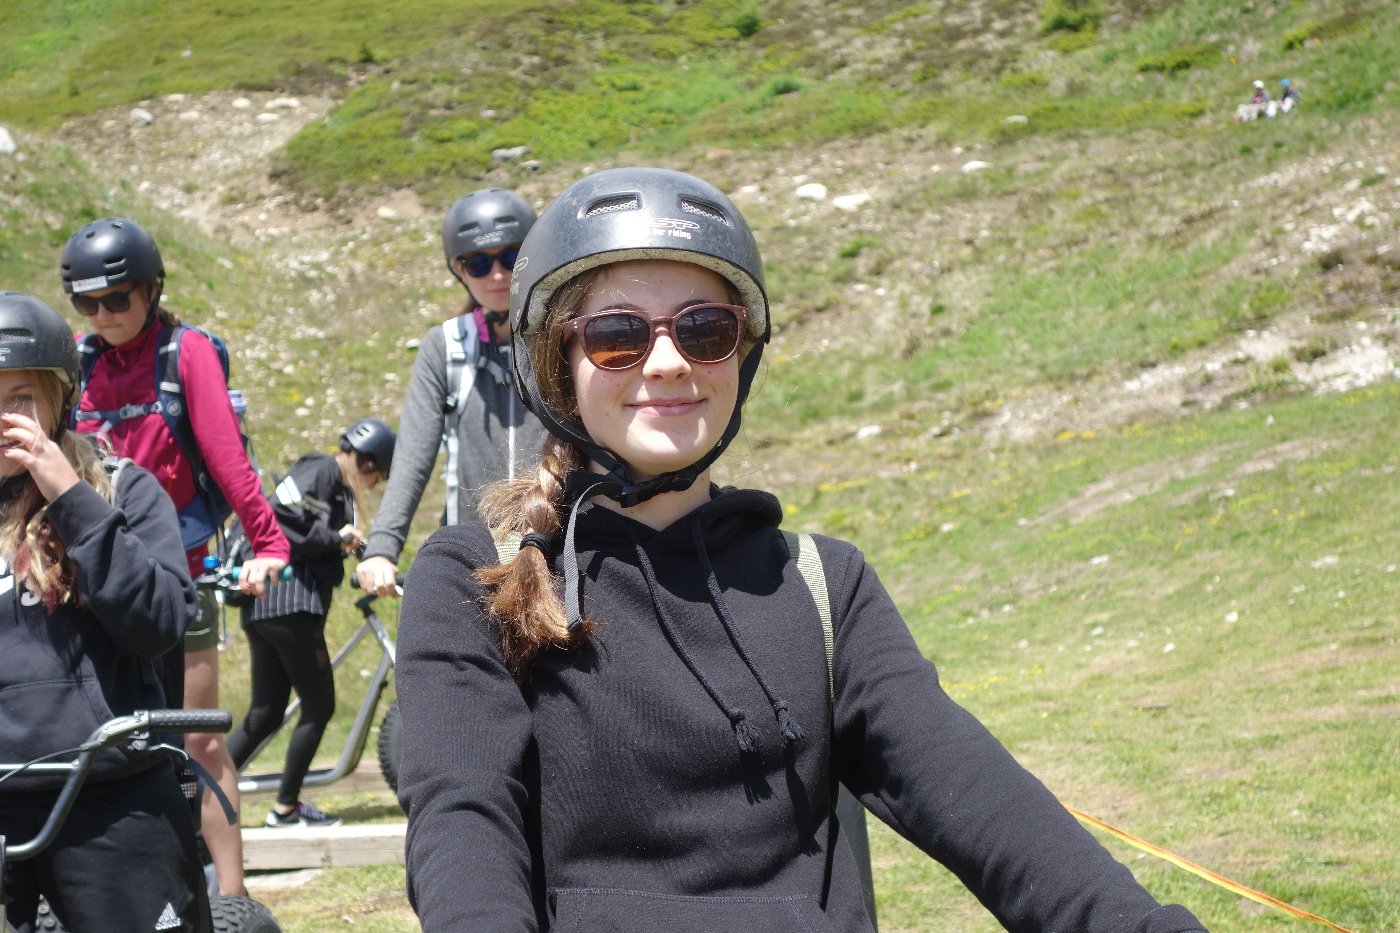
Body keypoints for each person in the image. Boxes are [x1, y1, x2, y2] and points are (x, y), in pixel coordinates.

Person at [394, 168, 1209, 931]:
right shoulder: (477, 577)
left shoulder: (822, 585)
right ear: (557, 365)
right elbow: (464, 825)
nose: (669, 362)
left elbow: (980, 796)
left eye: (706, 329)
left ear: (741, 355)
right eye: (617, 336)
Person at [59, 217, 290, 897]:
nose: (104, 315)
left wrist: (270, 542)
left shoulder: (185, 352)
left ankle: (233, 900)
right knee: (106, 739)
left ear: (151, 289)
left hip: (181, 571)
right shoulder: (80, 361)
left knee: (197, 737)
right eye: (87, 303)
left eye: (118, 299)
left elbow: (225, 455)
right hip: (98, 575)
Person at [0, 292, 206, 932]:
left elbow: (159, 624)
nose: (3, 418)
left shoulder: (122, 490)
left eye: (20, 398)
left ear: (60, 400)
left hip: (109, 792)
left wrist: (68, 496)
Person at [355, 187, 548, 597]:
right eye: (478, 263)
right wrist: (382, 547)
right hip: (475, 557)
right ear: (459, 270)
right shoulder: (446, 348)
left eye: (511, 257)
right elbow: (414, 452)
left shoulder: (561, 335)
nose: (497, 275)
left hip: (558, 548)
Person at [227, 418, 395, 828]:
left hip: (267, 606)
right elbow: (280, 514)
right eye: (377, 476)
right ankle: (286, 808)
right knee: (320, 705)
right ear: (367, 461)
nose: (372, 484)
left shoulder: (335, 487)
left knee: (266, 713)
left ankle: (199, 798)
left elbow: (308, 528)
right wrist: (336, 538)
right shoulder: (322, 469)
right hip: (290, 604)